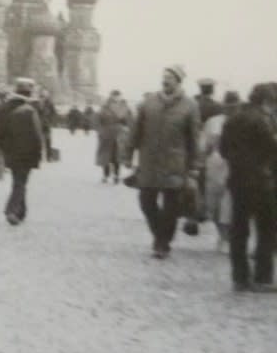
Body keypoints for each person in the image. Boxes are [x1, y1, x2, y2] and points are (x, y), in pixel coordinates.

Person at [125, 65, 201, 259]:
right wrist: (127, 154)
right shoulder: (148, 103)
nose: (165, 80)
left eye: (169, 78)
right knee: (146, 202)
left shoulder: (190, 106)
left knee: (171, 206)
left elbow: (194, 138)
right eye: (164, 77)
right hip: (149, 162)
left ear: (178, 81)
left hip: (175, 163)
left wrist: (194, 166)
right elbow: (135, 131)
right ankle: (160, 235)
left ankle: (162, 243)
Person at [219, 83, 277, 293]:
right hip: (262, 182)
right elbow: (273, 148)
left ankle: (239, 278)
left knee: (239, 229)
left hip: (237, 180)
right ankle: (262, 277)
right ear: (265, 102)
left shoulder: (233, 119)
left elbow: (223, 149)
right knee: (267, 229)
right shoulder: (263, 121)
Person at [0, 77, 45, 226]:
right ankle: (11, 210)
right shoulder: (31, 109)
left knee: (18, 181)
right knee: (21, 182)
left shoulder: (5, 108)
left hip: (11, 152)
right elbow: (38, 134)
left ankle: (21, 212)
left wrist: (6, 148)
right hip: (28, 153)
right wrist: (40, 153)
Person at [202, 90, 239, 250]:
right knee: (215, 203)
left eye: (234, 106)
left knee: (228, 202)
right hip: (216, 164)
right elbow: (205, 145)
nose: (231, 109)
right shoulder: (214, 122)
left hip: (233, 164)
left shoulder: (242, 121)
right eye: (229, 106)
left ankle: (226, 237)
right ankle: (223, 234)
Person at [95, 89, 133, 183]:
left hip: (119, 134)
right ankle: (105, 175)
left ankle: (116, 175)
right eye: (114, 95)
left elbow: (130, 121)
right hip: (106, 134)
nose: (116, 97)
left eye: (118, 95)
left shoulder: (125, 107)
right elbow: (98, 120)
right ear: (111, 96)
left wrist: (127, 129)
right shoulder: (105, 107)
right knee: (105, 156)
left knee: (117, 156)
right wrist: (100, 131)